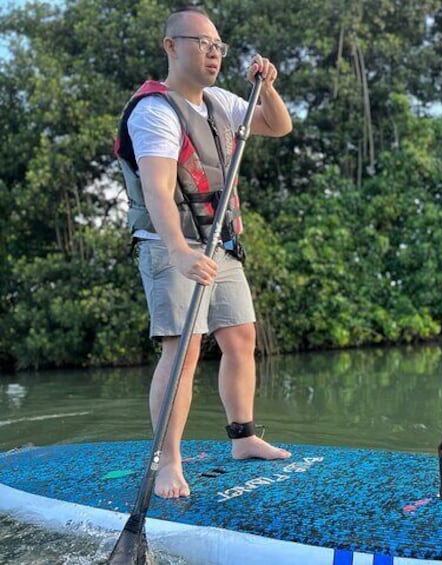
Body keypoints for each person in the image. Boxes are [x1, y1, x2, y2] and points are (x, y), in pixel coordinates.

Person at [114, 6, 293, 498]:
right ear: (171, 46)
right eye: (201, 43)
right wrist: (178, 250)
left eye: (219, 46)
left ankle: (243, 437)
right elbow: (157, 188)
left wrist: (268, 87)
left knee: (240, 338)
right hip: (172, 245)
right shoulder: (155, 112)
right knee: (184, 348)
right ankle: (167, 460)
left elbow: (277, 127)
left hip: (221, 243)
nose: (213, 53)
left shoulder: (220, 101)